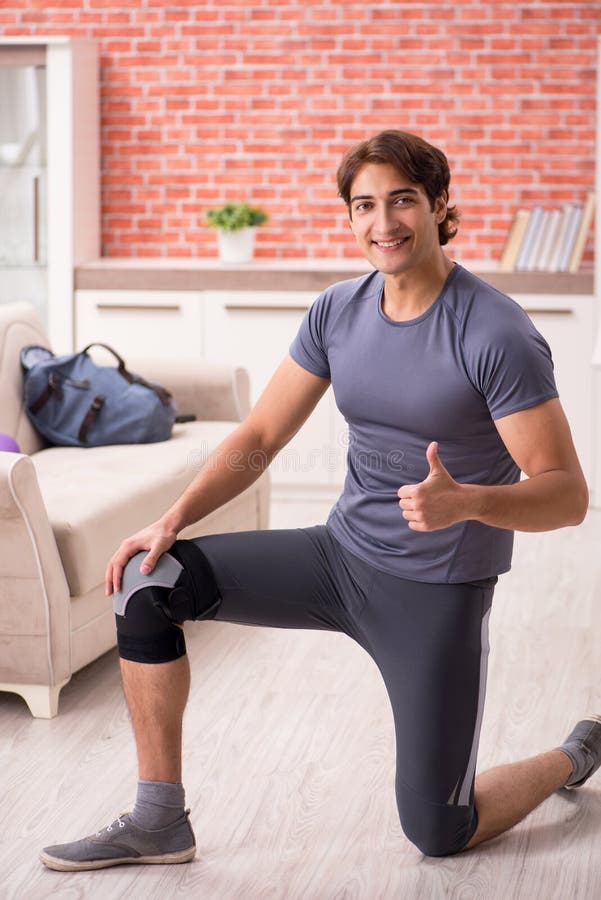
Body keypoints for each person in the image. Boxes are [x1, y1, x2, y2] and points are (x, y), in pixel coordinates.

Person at [41, 130, 600, 871]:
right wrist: (172, 520)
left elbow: (565, 496)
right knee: (150, 580)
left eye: (402, 200)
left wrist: (466, 504)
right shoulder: (338, 311)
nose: (384, 222)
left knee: (439, 830)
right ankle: (157, 821)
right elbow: (262, 433)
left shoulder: (495, 332)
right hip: (337, 557)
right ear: (348, 216)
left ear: (438, 204)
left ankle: (572, 754)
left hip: (434, 591)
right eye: (364, 205)